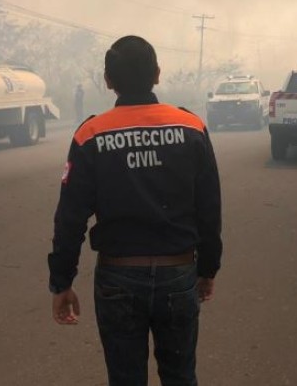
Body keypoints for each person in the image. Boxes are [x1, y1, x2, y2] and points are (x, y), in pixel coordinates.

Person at [48, 35, 222, 386]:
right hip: (178, 273)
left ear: (109, 81)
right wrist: (207, 268)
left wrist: (61, 281)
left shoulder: (91, 134)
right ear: (157, 74)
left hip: (118, 280)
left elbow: (70, 218)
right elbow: (209, 208)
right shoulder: (191, 128)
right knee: (181, 376)